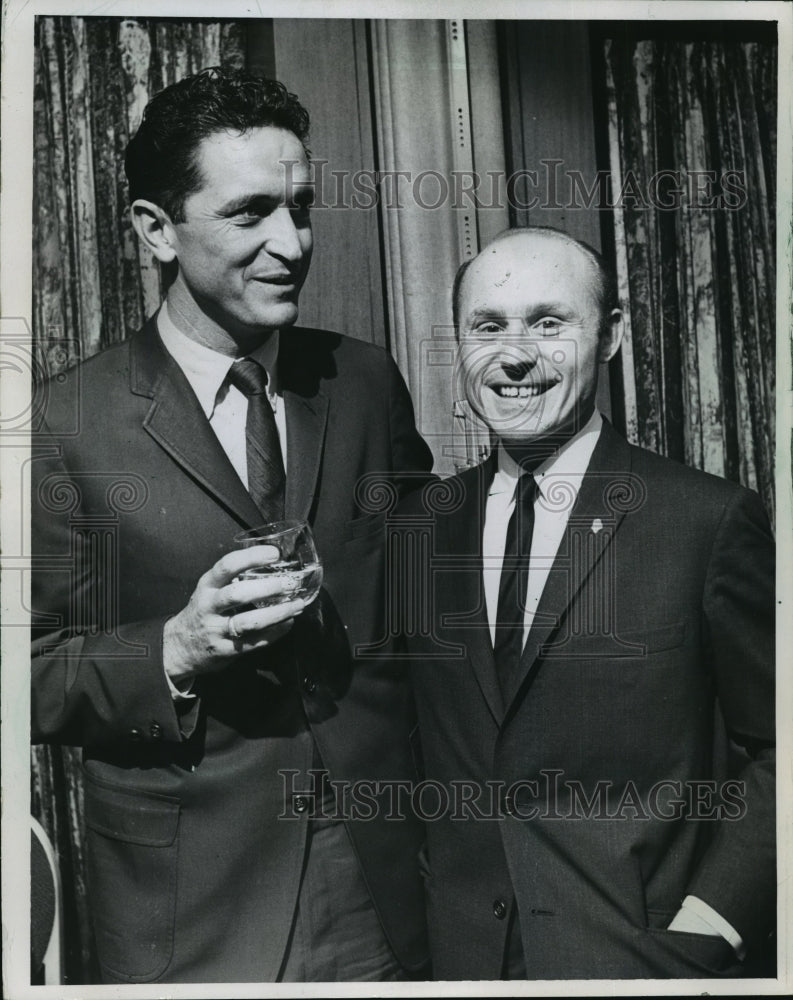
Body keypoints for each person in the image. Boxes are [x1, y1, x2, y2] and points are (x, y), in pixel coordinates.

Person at [30, 67, 432, 984]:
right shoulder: (62, 424)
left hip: (382, 874)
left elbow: (427, 589)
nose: (291, 243)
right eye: (250, 213)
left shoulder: (364, 382)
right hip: (192, 907)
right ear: (155, 230)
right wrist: (169, 650)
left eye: (301, 208)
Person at [401, 226, 775, 979]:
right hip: (459, 968)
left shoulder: (702, 521)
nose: (514, 355)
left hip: (638, 964)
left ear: (609, 335)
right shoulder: (417, 528)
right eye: (488, 327)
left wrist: (711, 927)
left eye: (549, 323)